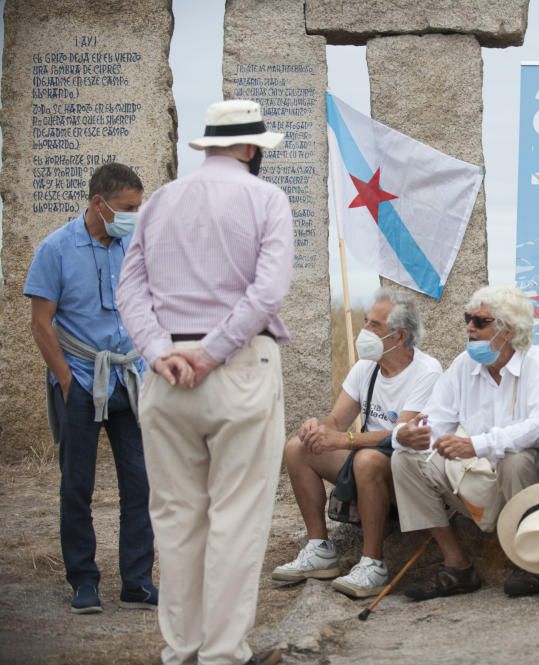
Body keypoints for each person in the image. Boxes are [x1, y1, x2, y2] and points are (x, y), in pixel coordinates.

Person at [117, 99, 290, 665]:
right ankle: (220, 654)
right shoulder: (266, 198)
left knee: (175, 516)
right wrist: (213, 353)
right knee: (236, 518)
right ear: (251, 149)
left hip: (167, 369)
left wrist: (158, 351)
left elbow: (130, 289)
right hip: (236, 363)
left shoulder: (161, 200)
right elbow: (266, 292)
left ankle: (181, 649)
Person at [24, 163, 156, 615]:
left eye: (138, 208)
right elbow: (42, 324)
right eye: (128, 208)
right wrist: (65, 381)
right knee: (77, 485)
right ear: (99, 203)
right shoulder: (55, 249)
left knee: (140, 484)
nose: (134, 216)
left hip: (128, 380)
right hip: (80, 378)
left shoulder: (134, 247)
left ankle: (137, 581)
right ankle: (83, 581)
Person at [391, 285, 539, 600]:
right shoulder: (463, 364)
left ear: (509, 330)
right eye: (467, 318)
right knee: (403, 459)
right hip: (472, 479)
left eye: (480, 322)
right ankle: (457, 565)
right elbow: (435, 419)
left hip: (518, 482)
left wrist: (478, 445)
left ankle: (532, 562)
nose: (469, 327)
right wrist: (406, 433)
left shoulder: (538, 364)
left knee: (518, 459)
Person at [272, 288, 442, 599]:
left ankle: (373, 564)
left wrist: (345, 439)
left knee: (366, 460)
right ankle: (319, 549)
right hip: (364, 458)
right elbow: (336, 420)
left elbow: (401, 433)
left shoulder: (426, 371)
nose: (364, 331)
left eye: (375, 326)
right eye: (366, 322)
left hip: (405, 470)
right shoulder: (367, 367)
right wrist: (317, 428)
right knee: (298, 446)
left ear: (400, 336)